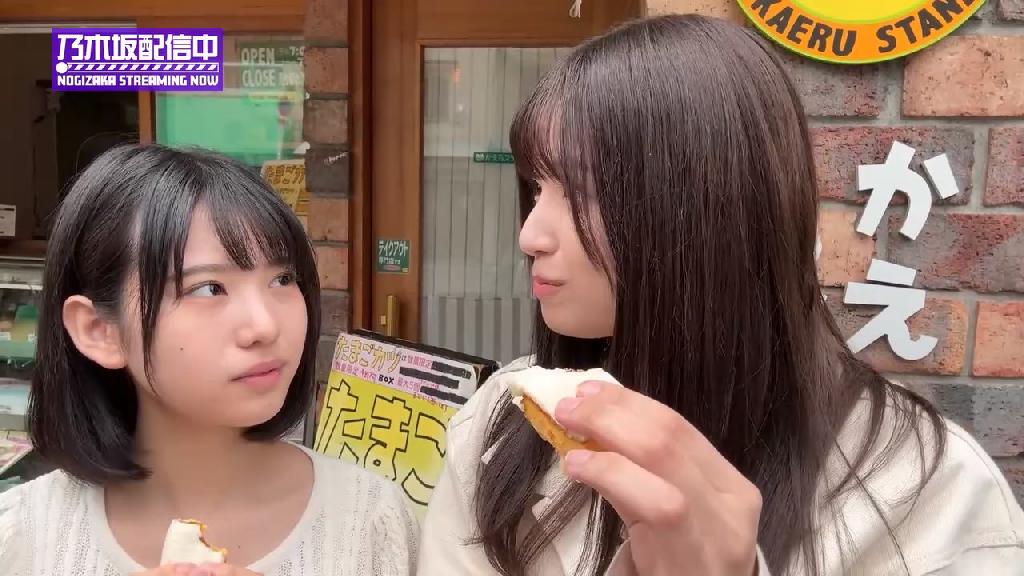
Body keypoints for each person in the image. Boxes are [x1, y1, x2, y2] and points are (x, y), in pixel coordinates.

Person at [417, 14, 1024, 576]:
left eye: (583, 189)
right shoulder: (501, 427)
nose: (529, 235)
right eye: (536, 187)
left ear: (714, 210)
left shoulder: (927, 493)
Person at [0, 144, 418, 576]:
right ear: (99, 331)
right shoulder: (23, 537)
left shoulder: (370, 522)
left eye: (282, 279)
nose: (264, 325)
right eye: (209, 289)